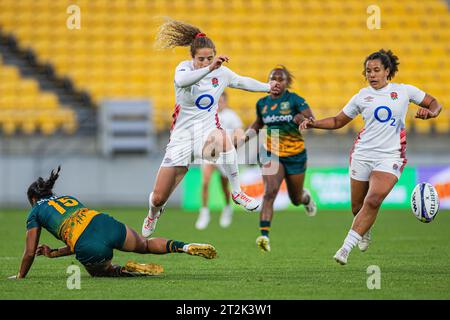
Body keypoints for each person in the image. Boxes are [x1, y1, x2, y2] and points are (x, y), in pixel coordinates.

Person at [300, 49, 442, 265]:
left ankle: (345, 249)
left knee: (373, 200)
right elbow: (338, 121)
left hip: (390, 156)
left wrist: (430, 113)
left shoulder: (404, 91)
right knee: (357, 207)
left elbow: (435, 104)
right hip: (362, 154)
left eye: (377, 70)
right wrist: (313, 123)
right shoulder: (361, 96)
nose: (372, 75)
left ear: (387, 71)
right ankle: (364, 230)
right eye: (368, 71)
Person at [141, 19, 279, 238]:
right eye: (200, 59)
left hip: (206, 134)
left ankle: (237, 193)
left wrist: (267, 87)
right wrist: (209, 69)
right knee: (158, 197)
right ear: (192, 57)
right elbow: (183, 81)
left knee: (222, 138)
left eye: (209, 58)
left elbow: (243, 82)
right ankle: (153, 214)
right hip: (181, 138)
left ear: (214, 54)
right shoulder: (183, 69)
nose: (205, 62)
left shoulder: (221, 73)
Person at [9, 167, 217, 279]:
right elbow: (82, 230)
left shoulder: (36, 211)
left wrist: (20, 275)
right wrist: (54, 252)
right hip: (104, 222)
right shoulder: (67, 199)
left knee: (99, 272)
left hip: (87, 242)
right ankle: (185, 246)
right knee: (145, 245)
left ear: (33, 200)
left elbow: (29, 252)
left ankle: (122, 270)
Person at [238, 65, 317, 252]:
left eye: (280, 79)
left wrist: (302, 120)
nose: (276, 82)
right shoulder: (262, 103)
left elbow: (311, 119)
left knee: (295, 199)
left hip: (295, 155)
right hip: (271, 152)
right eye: (273, 78)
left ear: (286, 82)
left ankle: (306, 199)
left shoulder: (295, 100)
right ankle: (264, 236)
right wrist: (241, 140)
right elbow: (257, 124)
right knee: (270, 191)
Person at [195, 91, 244, 230]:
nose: (220, 103)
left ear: (226, 101)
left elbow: (239, 133)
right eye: (218, 101)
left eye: (222, 100)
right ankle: (204, 212)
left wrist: (234, 145)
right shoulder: (208, 115)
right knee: (205, 182)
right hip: (210, 154)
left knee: (224, 186)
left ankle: (227, 208)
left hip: (223, 156)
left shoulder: (231, 116)